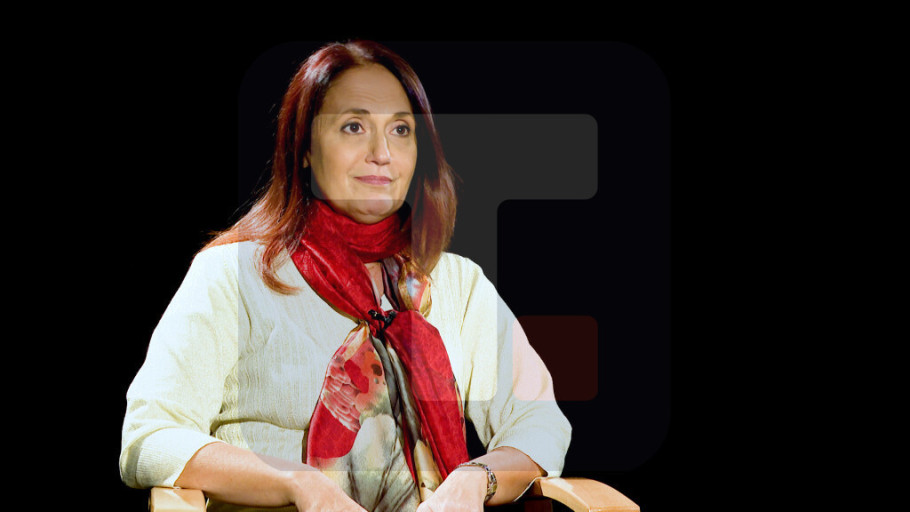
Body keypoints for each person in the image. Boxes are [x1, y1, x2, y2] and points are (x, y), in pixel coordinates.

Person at [120, 40, 571, 512]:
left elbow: (540, 424)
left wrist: (475, 480)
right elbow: (150, 436)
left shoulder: (457, 283)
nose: (382, 152)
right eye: (354, 127)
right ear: (304, 148)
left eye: (400, 130)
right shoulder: (233, 275)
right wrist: (298, 483)